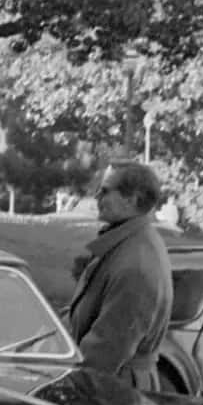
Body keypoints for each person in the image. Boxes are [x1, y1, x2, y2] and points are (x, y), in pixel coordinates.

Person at [64, 160, 174, 390]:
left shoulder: (136, 260)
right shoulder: (128, 243)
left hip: (115, 389)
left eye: (105, 191)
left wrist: (69, 384)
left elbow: (107, 349)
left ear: (132, 199)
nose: (96, 197)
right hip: (113, 383)